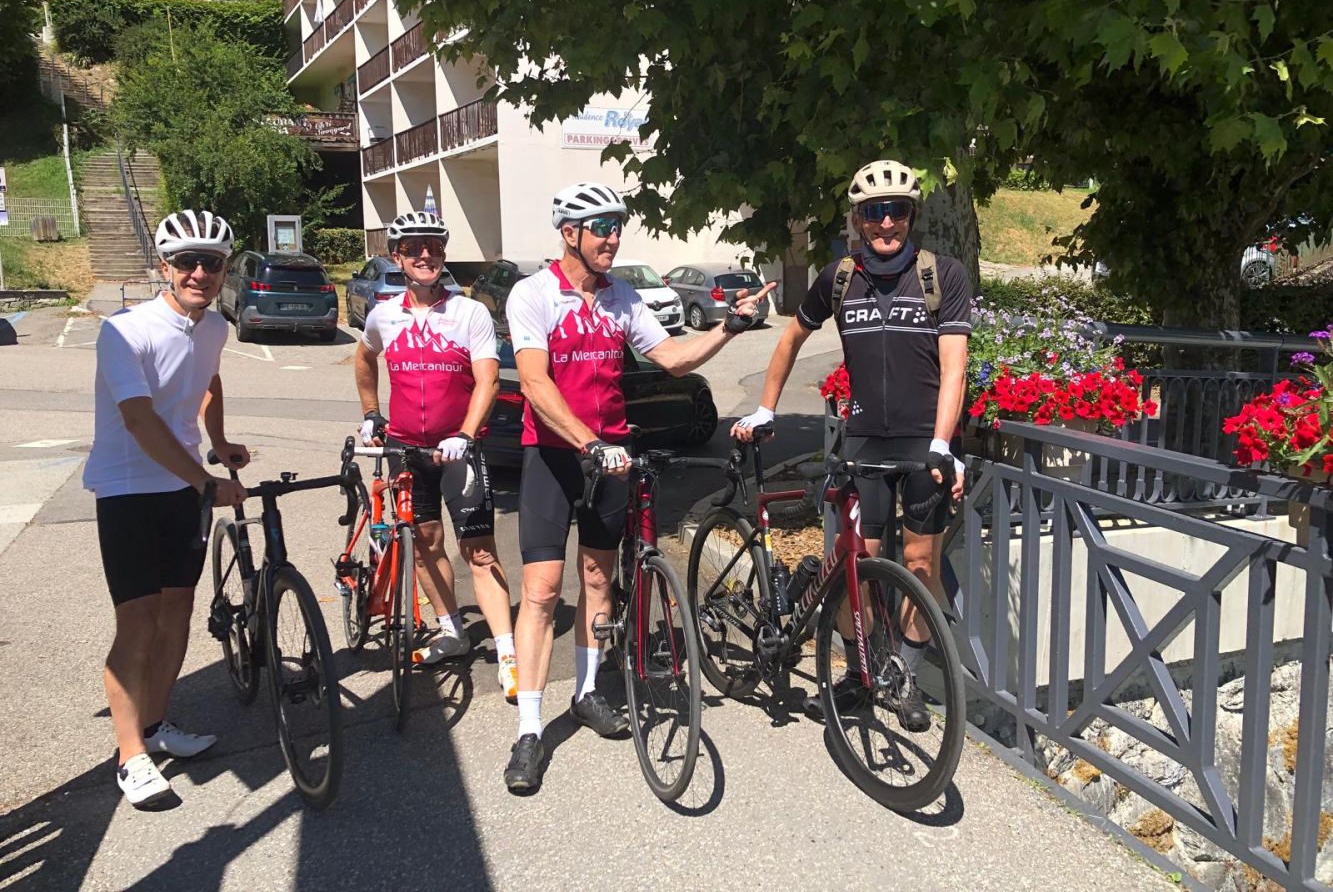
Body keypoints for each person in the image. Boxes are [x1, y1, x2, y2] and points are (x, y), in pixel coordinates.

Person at [501, 181, 776, 791]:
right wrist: (588, 443)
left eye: (618, 226)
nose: (613, 237)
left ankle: (586, 693)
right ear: (570, 233)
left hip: (611, 458)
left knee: (599, 579)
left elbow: (672, 358)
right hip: (554, 456)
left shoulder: (621, 297)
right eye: (602, 227)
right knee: (542, 591)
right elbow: (536, 385)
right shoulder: (534, 294)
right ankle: (529, 730)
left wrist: (730, 327)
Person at [732, 159, 970, 731]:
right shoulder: (840, 278)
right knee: (855, 567)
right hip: (862, 442)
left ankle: (904, 677)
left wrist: (943, 443)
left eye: (898, 211)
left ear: (911, 215)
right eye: (875, 212)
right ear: (859, 219)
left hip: (924, 446)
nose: (887, 223)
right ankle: (860, 676)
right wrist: (766, 406)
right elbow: (791, 338)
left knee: (920, 563)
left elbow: (955, 367)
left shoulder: (942, 275)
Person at [84, 209, 249, 808]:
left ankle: (154, 725)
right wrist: (204, 482)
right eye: (187, 262)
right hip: (128, 488)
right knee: (138, 621)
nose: (199, 272)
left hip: (182, 487)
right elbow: (137, 417)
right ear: (165, 266)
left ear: (224, 270)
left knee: (177, 610)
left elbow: (209, 380)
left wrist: (218, 440)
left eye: (212, 263)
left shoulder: (215, 327)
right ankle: (131, 757)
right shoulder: (124, 330)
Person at [355, 211, 518, 698]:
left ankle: (508, 653)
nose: (425, 255)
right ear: (397, 256)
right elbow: (364, 357)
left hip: (459, 448)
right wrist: (371, 412)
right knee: (424, 545)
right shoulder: (383, 315)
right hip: (406, 449)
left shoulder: (468, 313)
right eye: (413, 248)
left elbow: (488, 379)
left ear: (443, 255)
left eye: (434, 247)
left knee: (480, 550)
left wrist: (465, 433)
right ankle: (452, 631)